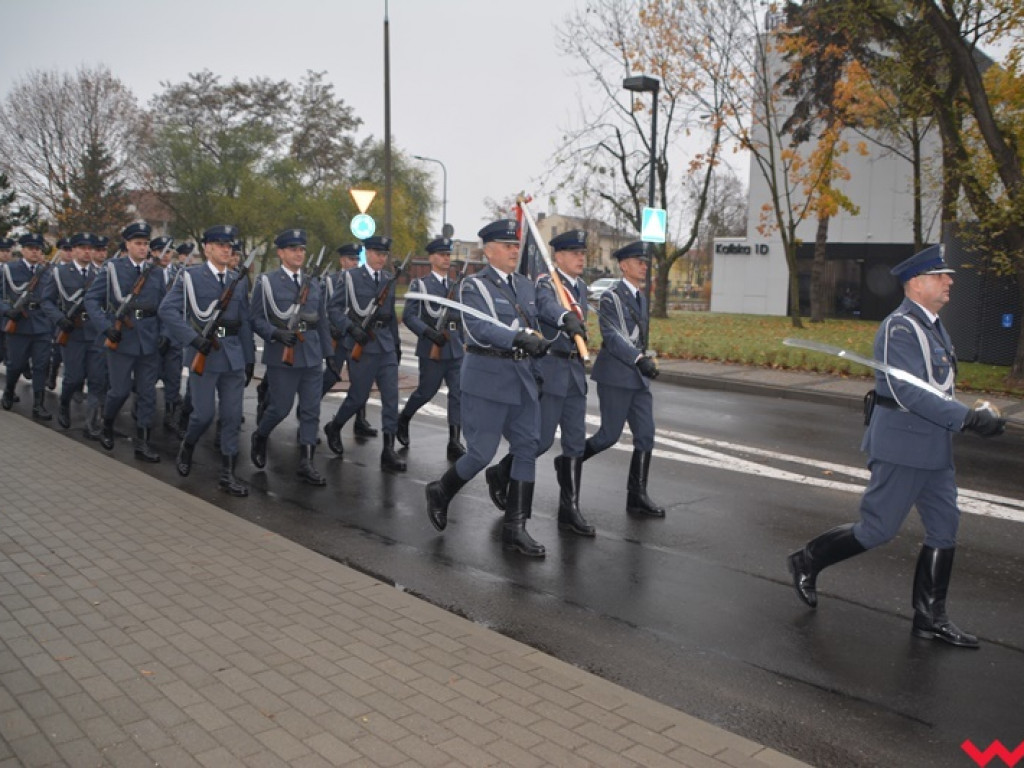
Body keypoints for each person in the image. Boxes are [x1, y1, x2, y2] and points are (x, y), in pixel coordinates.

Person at [787, 245, 1006, 648]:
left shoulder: (933, 325)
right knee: (877, 530)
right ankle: (807, 559)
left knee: (945, 528)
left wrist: (974, 413)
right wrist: (967, 419)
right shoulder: (899, 328)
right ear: (917, 283)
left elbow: (938, 388)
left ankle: (929, 617)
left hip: (933, 447)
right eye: (941, 276)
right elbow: (908, 392)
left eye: (947, 276)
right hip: (903, 446)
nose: (949, 281)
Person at [424, 219, 551, 557]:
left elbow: (536, 328)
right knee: (480, 453)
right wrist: (518, 337)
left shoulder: (525, 286)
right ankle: (441, 490)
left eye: (516, 245)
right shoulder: (473, 287)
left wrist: (538, 366)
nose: (514, 250)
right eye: (507, 245)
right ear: (489, 249)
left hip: (521, 378)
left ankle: (516, 527)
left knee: (527, 446)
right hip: (487, 378)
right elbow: (479, 330)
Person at [486, 229, 593, 536]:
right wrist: (564, 318)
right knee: (541, 440)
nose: (580, 258)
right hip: (553, 369)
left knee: (575, 441)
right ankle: (501, 472)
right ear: (557, 257)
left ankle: (569, 509)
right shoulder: (547, 283)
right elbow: (547, 306)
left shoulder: (581, 287)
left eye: (582, 253)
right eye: (574, 253)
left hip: (574, 373)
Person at [160, 224, 255, 496]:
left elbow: (244, 322)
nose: (227, 250)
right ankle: (188, 444)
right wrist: (192, 338)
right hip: (204, 353)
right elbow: (168, 310)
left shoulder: (237, 280)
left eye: (230, 246)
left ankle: (227, 473)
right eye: (221, 245)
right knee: (202, 415)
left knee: (232, 416)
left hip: (233, 355)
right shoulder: (190, 277)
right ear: (207, 248)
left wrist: (248, 359)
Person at [580, 241, 664, 517]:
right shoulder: (611, 297)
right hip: (616, 375)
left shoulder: (641, 297)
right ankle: (571, 462)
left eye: (645, 262)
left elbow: (637, 336)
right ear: (624, 265)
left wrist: (645, 356)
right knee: (608, 436)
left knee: (646, 435)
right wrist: (639, 359)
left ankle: (637, 496)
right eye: (639, 262)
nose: (644, 267)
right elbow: (614, 338)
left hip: (637, 378)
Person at [250, 228, 332, 486]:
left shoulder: (314, 283)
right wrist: (274, 333)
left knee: (311, 410)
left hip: (311, 354)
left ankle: (306, 462)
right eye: (294, 249)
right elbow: (255, 318)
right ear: (281, 253)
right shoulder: (267, 282)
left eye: (302, 249)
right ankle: (260, 435)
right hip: (282, 356)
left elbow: (322, 321)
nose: (299, 254)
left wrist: (330, 356)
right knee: (280, 408)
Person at [83, 221, 166, 461]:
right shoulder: (112, 268)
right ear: (127, 244)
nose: (143, 248)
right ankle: (107, 425)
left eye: (146, 243)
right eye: (138, 243)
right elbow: (91, 300)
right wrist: (107, 328)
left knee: (147, 394)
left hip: (148, 340)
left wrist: (164, 335)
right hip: (121, 339)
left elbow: (163, 306)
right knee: (119, 391)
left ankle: (142, 443)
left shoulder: (156, 272)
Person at [323, 235, 405, 472]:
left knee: (391, 397)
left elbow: (390, 318)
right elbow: (334, 309)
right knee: (358, 397)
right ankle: (335, 426)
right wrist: (351, 329)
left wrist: (397, 345)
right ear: (367, 253)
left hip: (385, 345)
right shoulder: (350, 278)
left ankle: (388, 449)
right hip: (362, 345)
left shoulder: (389, 280)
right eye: (378, 253)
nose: (382, 258)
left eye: (385, 254)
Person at [398, 236, 465, 460]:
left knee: (458, 394)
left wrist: (465, 342)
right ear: (431, 258)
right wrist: (428, 333)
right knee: (427, 392)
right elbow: (409, 316)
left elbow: (462, 317)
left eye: (448, 255)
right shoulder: (422, 284)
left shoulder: (456, 285)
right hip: (431, 348)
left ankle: (454, 440)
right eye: (442, 255)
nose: (446, 259)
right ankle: (404, 418)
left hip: (454, 347)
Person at [40, 232, 106, 433]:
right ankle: (64, 404)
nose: (87, 252)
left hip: (94, 333)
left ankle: (92, 423)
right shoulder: (60, 273)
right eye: (82, 248)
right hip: (73, 333)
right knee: (74, 378)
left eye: (90, 248)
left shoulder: (100, 274)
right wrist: (60, 319)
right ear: (74, 250)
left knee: (97, 379)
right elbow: (46, 301)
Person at [319, 243, 378, 438]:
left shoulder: (363, 280)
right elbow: (322, 310)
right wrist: (330, 329)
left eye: (356, 259)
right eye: (351, 259)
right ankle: (308, 408)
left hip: (356, 338)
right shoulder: (329, 282)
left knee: (361, 379)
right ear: (342, 260)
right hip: (338, 338)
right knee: (331, 376)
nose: (354, 263)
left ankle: (360, 420)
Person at [1, 233, 55, 419]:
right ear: (23, 250)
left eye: (38, 249)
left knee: (41, 365)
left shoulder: (47, 272)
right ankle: (9, 391)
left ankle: (38, 405)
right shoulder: (9, 269)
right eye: (31, 248)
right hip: (19, 324)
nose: (35, 252)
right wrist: (6, 310)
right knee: (15, 364)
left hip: (41, 324)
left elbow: (53, 299)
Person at [151, 235, 185, 431]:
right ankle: (142, 411)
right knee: (149, 379)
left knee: (173, 379)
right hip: (153, 336)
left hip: (173, 336)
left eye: (169, 251)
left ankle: (171, 417)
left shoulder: (180, 274)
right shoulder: (147, 274)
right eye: (160, 251)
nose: (165, 255)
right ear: (153, 253)